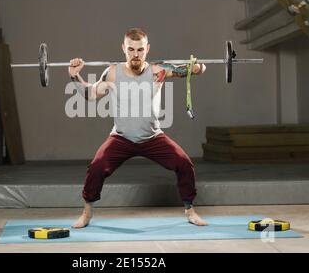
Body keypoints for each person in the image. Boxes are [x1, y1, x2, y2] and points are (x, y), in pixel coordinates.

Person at [68, 28, 208, 229]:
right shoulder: (113, 72)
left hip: (152, 137)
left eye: (140, 50)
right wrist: (75, 76)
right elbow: (90, 95)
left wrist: (198, 68)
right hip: (121, 138)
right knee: (97, 166)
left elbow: (188, 70)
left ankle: (190, 210)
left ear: (147, 49)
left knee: (184, 163)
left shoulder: (158, 70)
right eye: (131, 49)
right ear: (123, 48)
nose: (135, 55)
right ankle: (87, 213)